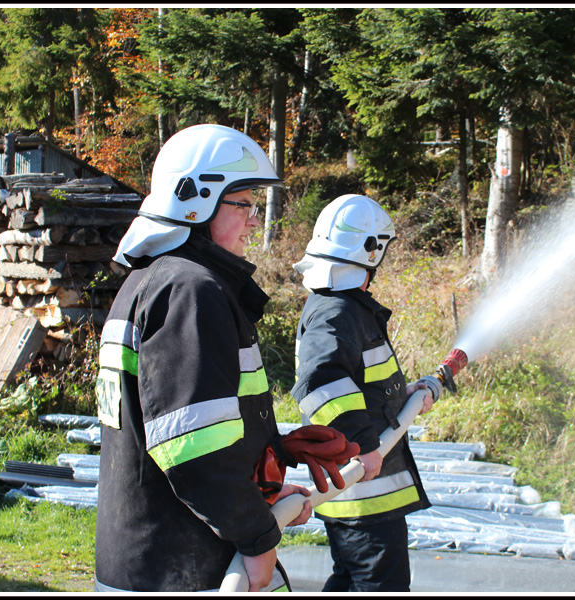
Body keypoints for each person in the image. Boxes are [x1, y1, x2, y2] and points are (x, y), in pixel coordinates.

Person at [93, 124, 357, 592]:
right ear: (195, 201)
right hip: (189, 569)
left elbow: (182, 423)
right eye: (244, 205)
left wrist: (270, 453)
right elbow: (196, 450)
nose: (254, 221)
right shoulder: (190, 291)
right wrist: (257, 539)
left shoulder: (150, 283)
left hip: (150, 560)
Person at [290, 194, 436, 592]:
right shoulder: (337, 311)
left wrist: (400, 395)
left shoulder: (342, 307)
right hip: (362, 498)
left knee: (350, 582)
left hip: (366, 497)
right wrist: (361, 444)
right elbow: (320, 384)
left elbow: (355, 381)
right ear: (372, 251)